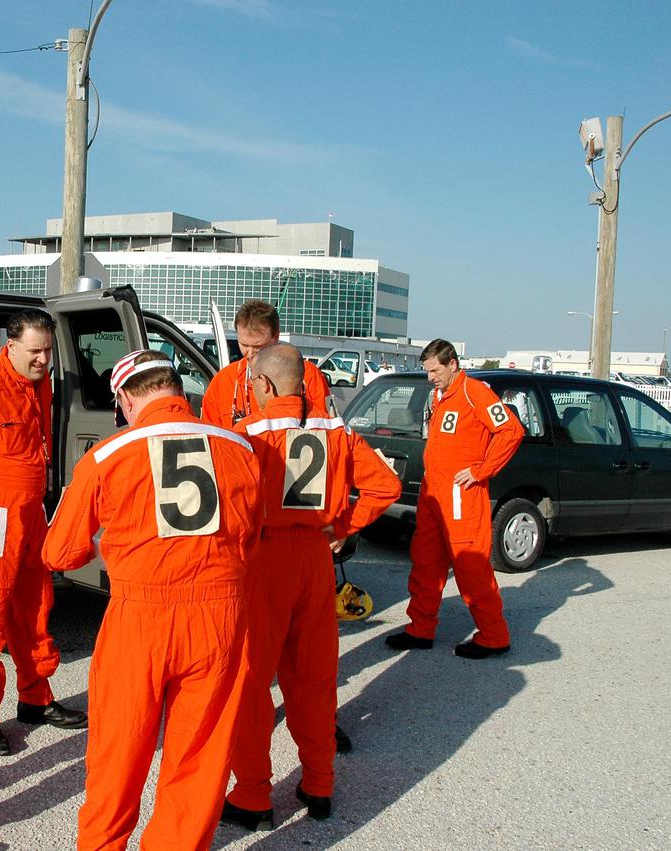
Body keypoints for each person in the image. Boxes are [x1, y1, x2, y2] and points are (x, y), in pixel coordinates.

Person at [43, 349, 262, 851]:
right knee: (201, 755)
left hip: (141, 615)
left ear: (124, 397)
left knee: (119, 750)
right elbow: (252, 533)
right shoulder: (240, 447)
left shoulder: (108, 454)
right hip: (221, 615)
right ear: (177, 390)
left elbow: (59, 552)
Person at [221, 344, 400, 830]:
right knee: (315, 680)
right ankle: (319, 784)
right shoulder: (336, 429)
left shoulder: (246, 434)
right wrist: (344, 525)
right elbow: (386, 486)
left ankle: (254, 795)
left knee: (252, 684)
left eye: (254, 385)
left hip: (264, 560)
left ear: (265, 385)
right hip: (316, 560)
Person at [0, 310, 87, 756]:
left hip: (30, 512)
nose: (43, 359)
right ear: (9, 346)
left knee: (35, 605)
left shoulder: (39, 380)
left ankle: (35, 697)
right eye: (35, 351)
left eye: (47, 351)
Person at [385, 338, 524, 659]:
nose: (430, 376)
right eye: (427, 371)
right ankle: (420, 628)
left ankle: (493, 635)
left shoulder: (474, 392)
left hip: (462, 496)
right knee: (426, 562)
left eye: (434, 370)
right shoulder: (439, 394)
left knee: (470, 565)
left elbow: (510, 431)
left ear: (452, 365)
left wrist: (481, 470)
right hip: (433, 493)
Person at [200, 299, 333, 427]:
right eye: (244, 345)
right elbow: (212, 435)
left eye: (258, 346)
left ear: (276, 336)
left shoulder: (307, 375)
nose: (251, 353)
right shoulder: (224, 381)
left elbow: (325, 427)